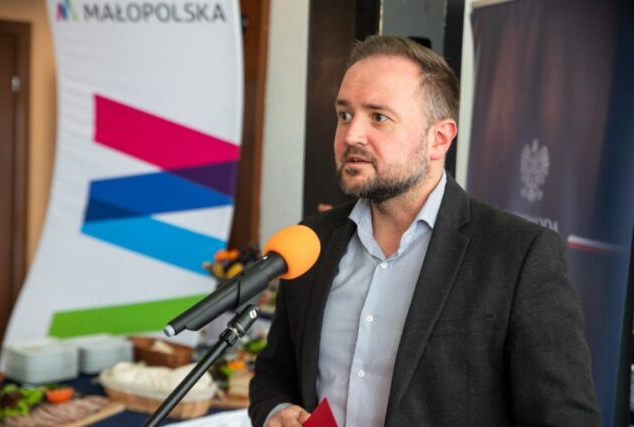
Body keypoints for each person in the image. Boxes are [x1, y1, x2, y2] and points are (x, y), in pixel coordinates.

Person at [249, 35, 600, 426]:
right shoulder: (310, 242)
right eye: (344, 115)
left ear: (439, 139)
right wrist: (276, 411)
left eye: (378, 117)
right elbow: (274, 373)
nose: (351, 135)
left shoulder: (518, 256)